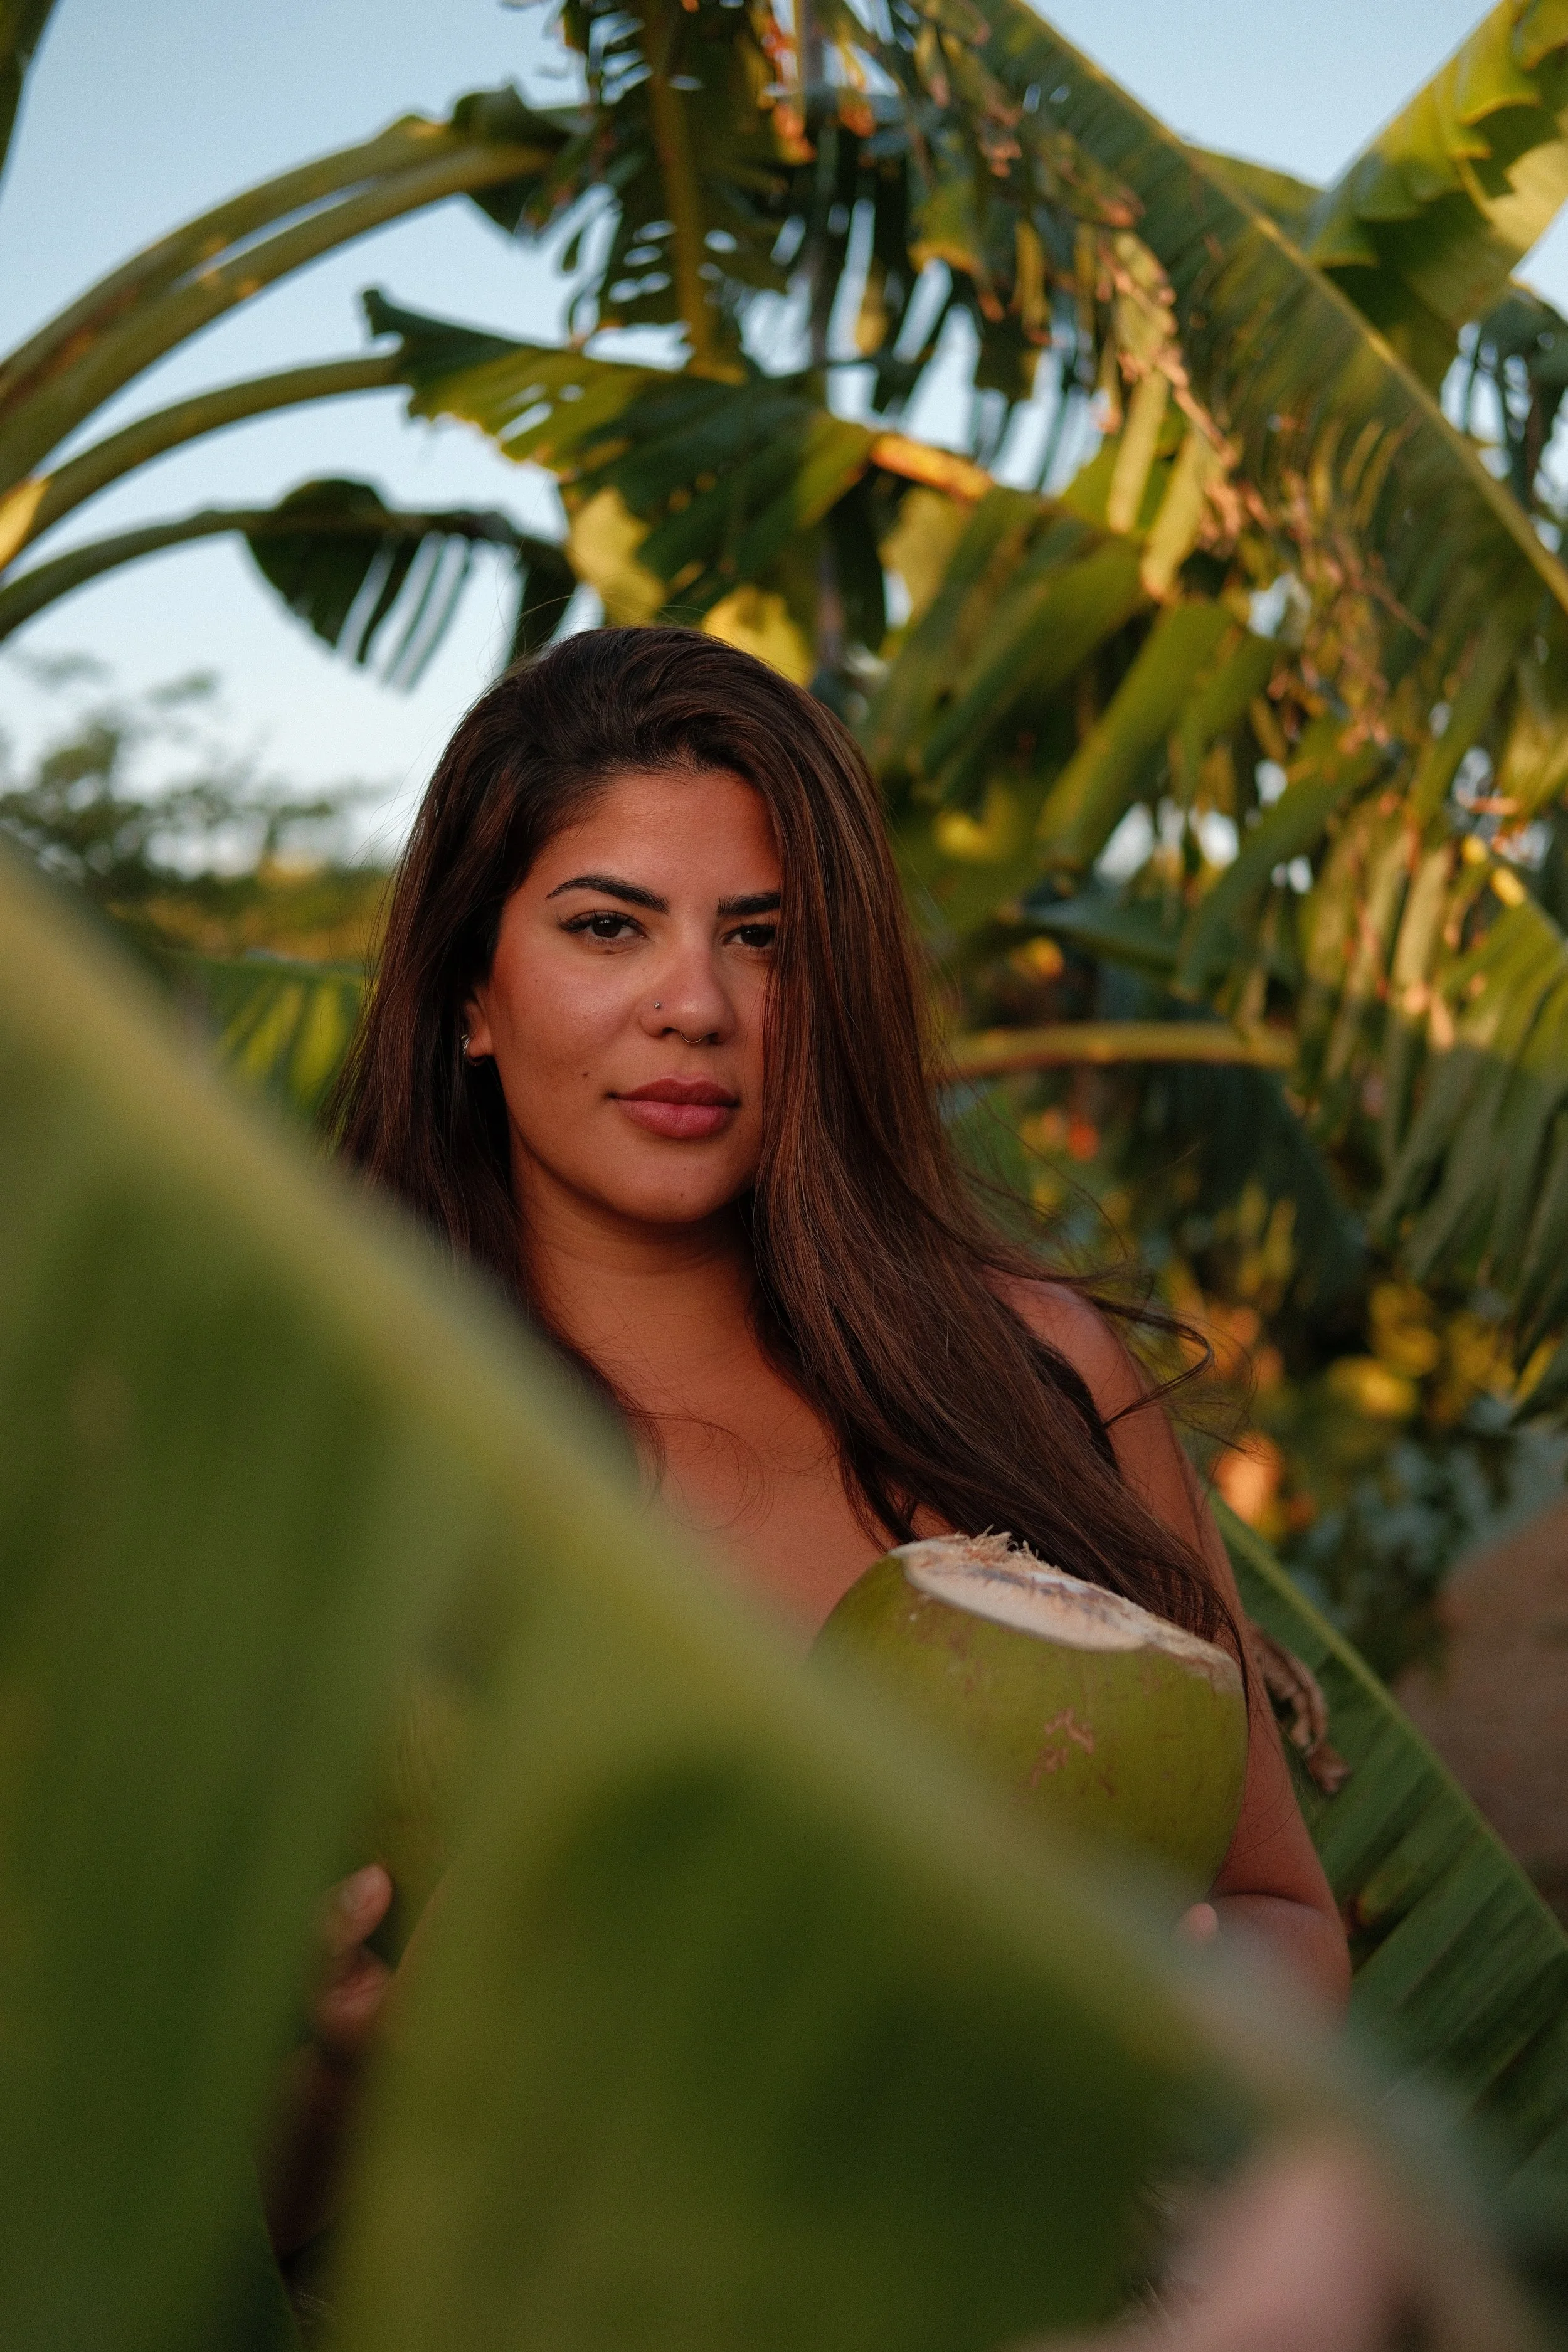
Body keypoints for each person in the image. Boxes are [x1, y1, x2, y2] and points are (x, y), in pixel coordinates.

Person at [265, 625, 1347, 2257]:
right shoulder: (341, 1453)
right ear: (470, 992)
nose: (693, 1005)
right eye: (606, 925)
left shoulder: (1031, 1373)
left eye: (761, 937)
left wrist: (1161, 2026)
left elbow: (1278, 1912)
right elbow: (196, 2216)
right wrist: (364, 2072)